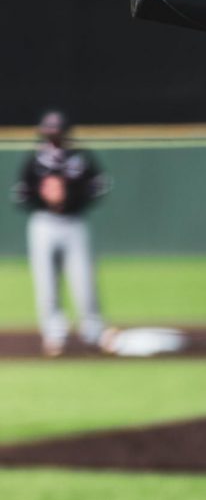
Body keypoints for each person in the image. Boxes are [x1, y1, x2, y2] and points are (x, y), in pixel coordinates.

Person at [12, 110, 111, 357]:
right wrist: (44, 196)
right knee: (46, 283)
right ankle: (54, 335)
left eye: (57, 132)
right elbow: (19, 194)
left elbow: (101, 185)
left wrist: (70, 197)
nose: (53, 136)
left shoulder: (80, 157)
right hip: (44, 223)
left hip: (73, 222)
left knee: (84, 280)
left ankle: (93, 332)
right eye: (49, 131)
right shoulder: (35, 160)